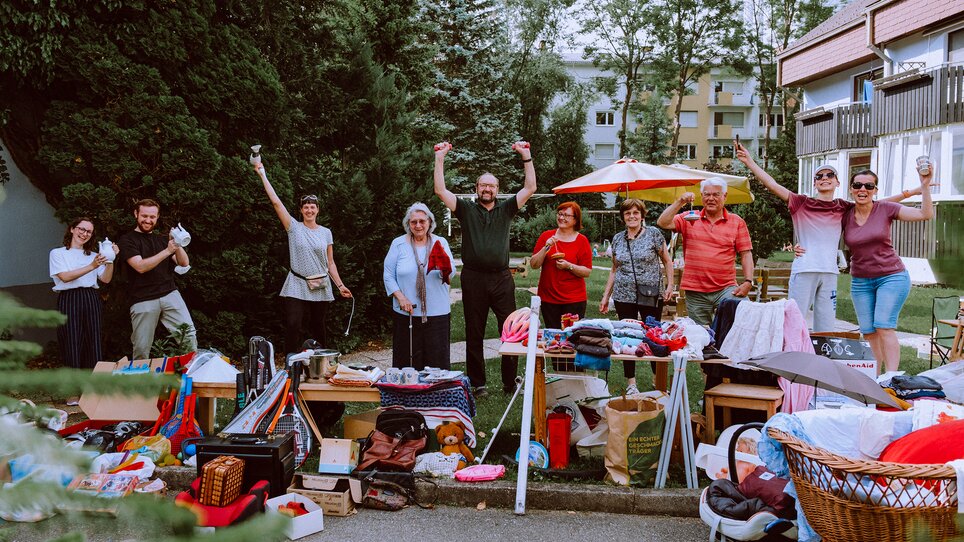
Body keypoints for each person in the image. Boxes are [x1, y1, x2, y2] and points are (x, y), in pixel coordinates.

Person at [735, 142, 920, 332]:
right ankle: (791, 357)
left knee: (825, 327)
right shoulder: (800, 203)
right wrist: (749, 161)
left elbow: (879, 204)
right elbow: (771, 184)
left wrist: (910, 193)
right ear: (814, 183)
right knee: (794, 322)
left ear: (837, 182)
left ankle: (821, 360)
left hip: (830, 272)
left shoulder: (843, 207)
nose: (825, 178)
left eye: (830, 175)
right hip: (805, 269)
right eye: (819, 176)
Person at [434, 140, 536, 396]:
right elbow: (440, 190)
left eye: (492, 185)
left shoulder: (507, 209)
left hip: (502, 279)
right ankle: (478, 383)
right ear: (476, 188)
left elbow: (531, 187)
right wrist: (440, 158)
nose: (487, 189)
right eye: (483, 185)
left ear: (497, 189)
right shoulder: (466, 209)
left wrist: (526, 156)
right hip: (474, 279)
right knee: (474, 331)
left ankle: (509, 382)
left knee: (510, 331)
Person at [254, 162, 352, 354]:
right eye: (306, 207)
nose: (309, 210)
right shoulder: (293, 227)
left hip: (321, 284)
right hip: (297, 283)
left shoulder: (326, 233)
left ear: (318, 210)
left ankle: (321, 362)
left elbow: (330, 262)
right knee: (293, 323)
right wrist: (262, 174)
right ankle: (291, 363)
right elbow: (276, 202)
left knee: (318, 325)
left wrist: (340, 286)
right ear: (301, 210)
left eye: (312, 207)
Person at [842, 168, 933, 372]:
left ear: (875, 189)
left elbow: (925, 214)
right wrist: (801, 245)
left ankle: (891, 377)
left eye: (869, 186)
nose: (862, 189)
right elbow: (820, 225)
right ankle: (874, 375)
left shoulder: (885, 209)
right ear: (850, 189)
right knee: (869, 332)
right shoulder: (845, 213)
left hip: (891, 277)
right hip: (860, 281)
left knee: (884, 325)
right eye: (857, 185)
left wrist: (924, 187)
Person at [656, 179, 754, 326]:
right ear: (701, 196)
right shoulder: (690, 217)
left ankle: (729, 349)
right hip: (695, 291)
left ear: (725, 196)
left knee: (741, 318)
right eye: (707, 194)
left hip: (726, 288)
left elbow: (746, 254)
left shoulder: (737, 221)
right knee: (701, 334)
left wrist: (748, 281)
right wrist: (680, 202)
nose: (711, 198)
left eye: (716, 194)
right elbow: (662, 222)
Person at [599, 199, 674, 394]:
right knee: (625, 337)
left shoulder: (654, 235)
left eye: (635, 213)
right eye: (627, 213)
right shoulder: (617, 239)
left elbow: (667, 261)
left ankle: (658, 380)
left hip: (650, 293)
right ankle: (631, 383)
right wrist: (606, 296)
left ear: (642, 215)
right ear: (623, 217)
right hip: (624, 294)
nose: (632, 216)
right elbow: (614, 269)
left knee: (653, 334)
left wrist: (669, 285)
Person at [119, 199, 197, 360]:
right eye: (144, 216)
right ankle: (140, 382)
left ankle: (190, 378)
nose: (148, 220)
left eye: (152, 217)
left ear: (157, 217)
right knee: (141, 347)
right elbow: (140, 266)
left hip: (170, 294)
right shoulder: (127, 240)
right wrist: (168, 251)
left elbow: (184, 263)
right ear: (136, 214)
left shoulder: (162, 240)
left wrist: (177, 243)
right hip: (142, 298)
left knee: (188, 337)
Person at [383, 202, 455, 369]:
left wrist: (443, 267)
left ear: (430, 222)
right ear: (408, 224)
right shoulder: (398, 243)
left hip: (437, 311)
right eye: (413, 222)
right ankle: (407, 394)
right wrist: (400, 297)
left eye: (422, 221)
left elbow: (450, 274)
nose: (418, 225)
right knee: (406, 359)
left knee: (437, 359)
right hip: (406, 311)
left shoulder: (440, 242)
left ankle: (436, 393)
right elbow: (388, 275)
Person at [49, 218, 119, 372]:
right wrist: (92, 265)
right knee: (71, 341)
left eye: (89, 231)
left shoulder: (93, 255)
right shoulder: (58, 253)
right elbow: (65, 277)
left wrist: (110, 259)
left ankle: (91, 390)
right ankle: (72, 392)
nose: (84, 233)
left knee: (93, 341)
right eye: (81, 229)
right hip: (69, 298)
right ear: (72, 229)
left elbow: (106, 279)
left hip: (91, 297)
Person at [530, 201, 593, 328]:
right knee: (553, 336)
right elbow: (534, 264)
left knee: (571, 338)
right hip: (548, 298)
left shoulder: (582, 241)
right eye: (559, 214)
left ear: (575, 220)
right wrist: (546, 247)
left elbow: (586, 271)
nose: (561, 218)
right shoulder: (546, 236)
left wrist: (568, 266)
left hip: (574, 299)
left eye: (566, 215)